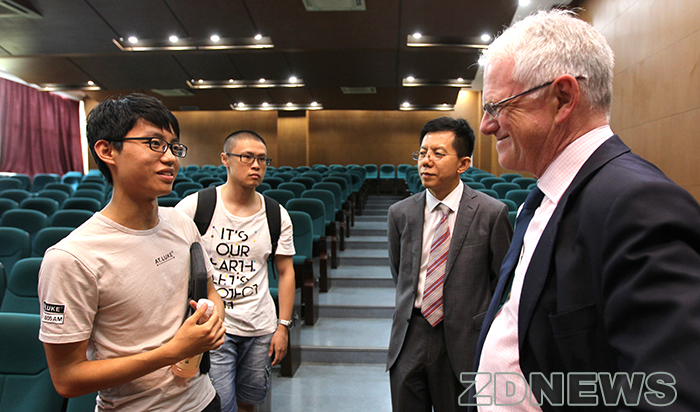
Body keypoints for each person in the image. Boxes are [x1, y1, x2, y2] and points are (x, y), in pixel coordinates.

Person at [472, 9, 700, 411]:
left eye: (498, 107)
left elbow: (667, 393)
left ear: (562, 98)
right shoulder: (544, 196)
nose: (486, 127)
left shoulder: (639, 204)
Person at [37, 93, 226, 411]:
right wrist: (171, 352)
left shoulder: (181, 223)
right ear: (107, 150)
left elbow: (209, 289)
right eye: (155, 144)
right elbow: (67, 379)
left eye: (173, 147)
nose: (171, 158)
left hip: (204, 400)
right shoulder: (71, 258)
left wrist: (213, 318)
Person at [387, 116, 513, 412]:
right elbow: (400, 272)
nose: (426, 161)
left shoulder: (491, 213)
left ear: (463, 164)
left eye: (438, 153)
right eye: (422, 153)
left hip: (463, 339)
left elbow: (502, 282)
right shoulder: (400, 213)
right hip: (410, 334)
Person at [176, 130, 295, 412]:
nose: (256, 165)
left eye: (262, 159)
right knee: (221, 403)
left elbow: (286, 273)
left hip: (259, 325)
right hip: (214, 326)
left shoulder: (276, 214)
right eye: (247, 157)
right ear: (225, 159)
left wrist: (283, 326)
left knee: (249, 401)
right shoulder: (196, 206)